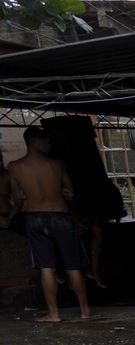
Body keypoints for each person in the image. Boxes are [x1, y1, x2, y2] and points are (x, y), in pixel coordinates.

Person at [6, 126, 94, 322]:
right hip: (60, 217)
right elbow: (70, 191)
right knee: (73, 266)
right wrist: (61, 191)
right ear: (36, 142)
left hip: (35, 218)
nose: (49, 144)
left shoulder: (15, 166)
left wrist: (11, 217)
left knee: (47, 268)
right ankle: (85, 311)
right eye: (46, 141)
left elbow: (17, 199)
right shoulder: (57, 164)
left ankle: (53, 314)